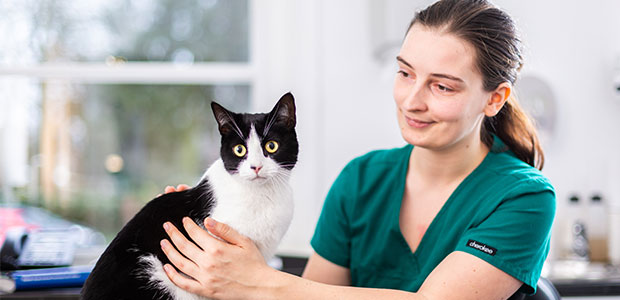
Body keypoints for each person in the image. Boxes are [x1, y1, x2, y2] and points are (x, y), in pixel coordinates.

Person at [159, 0, 556, 299]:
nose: (411, 100)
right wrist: (211, 245)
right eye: (405, 73)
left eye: (442, 86)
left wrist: (257, 279)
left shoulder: (524, 197)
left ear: (494, 98)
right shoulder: (361, 180)